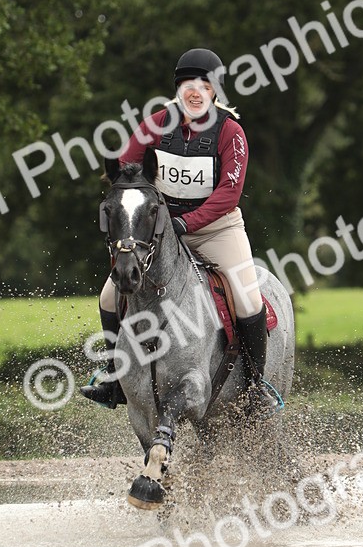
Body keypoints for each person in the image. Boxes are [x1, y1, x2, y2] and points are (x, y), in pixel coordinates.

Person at [81, 47, 282, 415]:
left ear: (215, 91)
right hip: (161, 233)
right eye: (188, 83)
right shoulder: (155, 124)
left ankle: (255, 388)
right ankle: (113, 375)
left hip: (217, 229)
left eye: (204, 84)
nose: (195, 90)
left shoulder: (231, 132)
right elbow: (128, 170)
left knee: (248, 297)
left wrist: (186, 222)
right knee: (109, 295)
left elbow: (228, 194)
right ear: (178, 88)